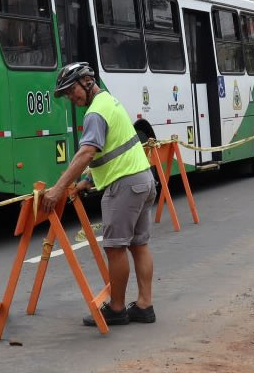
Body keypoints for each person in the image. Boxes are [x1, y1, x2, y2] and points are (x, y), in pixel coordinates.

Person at [41, 62, 157, 326]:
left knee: (116, 249)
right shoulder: (109, 102)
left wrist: (58, 189)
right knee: (139, 245)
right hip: (143, 179)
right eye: (67, 95)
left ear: (86, 81)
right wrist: (87, 181)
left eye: (72, 91)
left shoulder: (94, 113)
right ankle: (144, 305)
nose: (71, 98)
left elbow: (87, 153)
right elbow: (113, 149)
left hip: (124, 185)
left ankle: (116, 309)